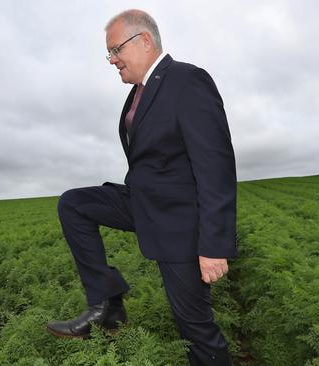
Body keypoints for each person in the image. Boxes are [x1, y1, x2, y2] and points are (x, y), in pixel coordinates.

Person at [47, 9, 237, 366]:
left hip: (180, 224)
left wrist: (214, 244)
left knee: (196, 330)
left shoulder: (187, 80)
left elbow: (216, 165)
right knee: (74, 204)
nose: (112, 60)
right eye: (109, 54)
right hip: (142, 203)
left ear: (145, 40)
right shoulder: (137, 93)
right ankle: (106, 305)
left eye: (115, 50)